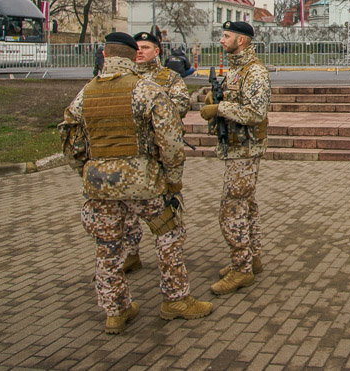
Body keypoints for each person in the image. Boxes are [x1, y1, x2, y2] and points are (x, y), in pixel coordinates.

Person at [58, 32, 212, 334]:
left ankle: (116, 310)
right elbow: (170, 143)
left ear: (104, 56)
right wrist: (173, 181)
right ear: (131, 58)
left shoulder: (85, 94)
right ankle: (175, 299)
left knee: (107, 245)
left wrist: (87, 171)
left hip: (100, 186)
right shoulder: (147, 91)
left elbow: (70, 141)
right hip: (144, 183)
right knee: (168, 235)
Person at [200, 20, 270, 295]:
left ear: (241, 40)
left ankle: (241, 269)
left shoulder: (255, 72)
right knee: (246, 205)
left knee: (231, 209)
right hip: (235, 147)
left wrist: (220, 108)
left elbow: (255, 113)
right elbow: (235, 100)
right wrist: (214, 100)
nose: (221, 40)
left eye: (226, 36)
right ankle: (252, 258)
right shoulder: (236, 70)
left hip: (245, 150)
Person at [117, 31, 193, 275]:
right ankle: (130, 253)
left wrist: (152, 111)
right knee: (126, 210)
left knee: (165, 209)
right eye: (136, 47)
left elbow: (181, 105)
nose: (140, 51)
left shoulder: (168, 78)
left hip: (157, 155)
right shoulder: (122, 77)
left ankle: (171, 259)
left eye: (146, 47)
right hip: (129, 153)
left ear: (157, 51)